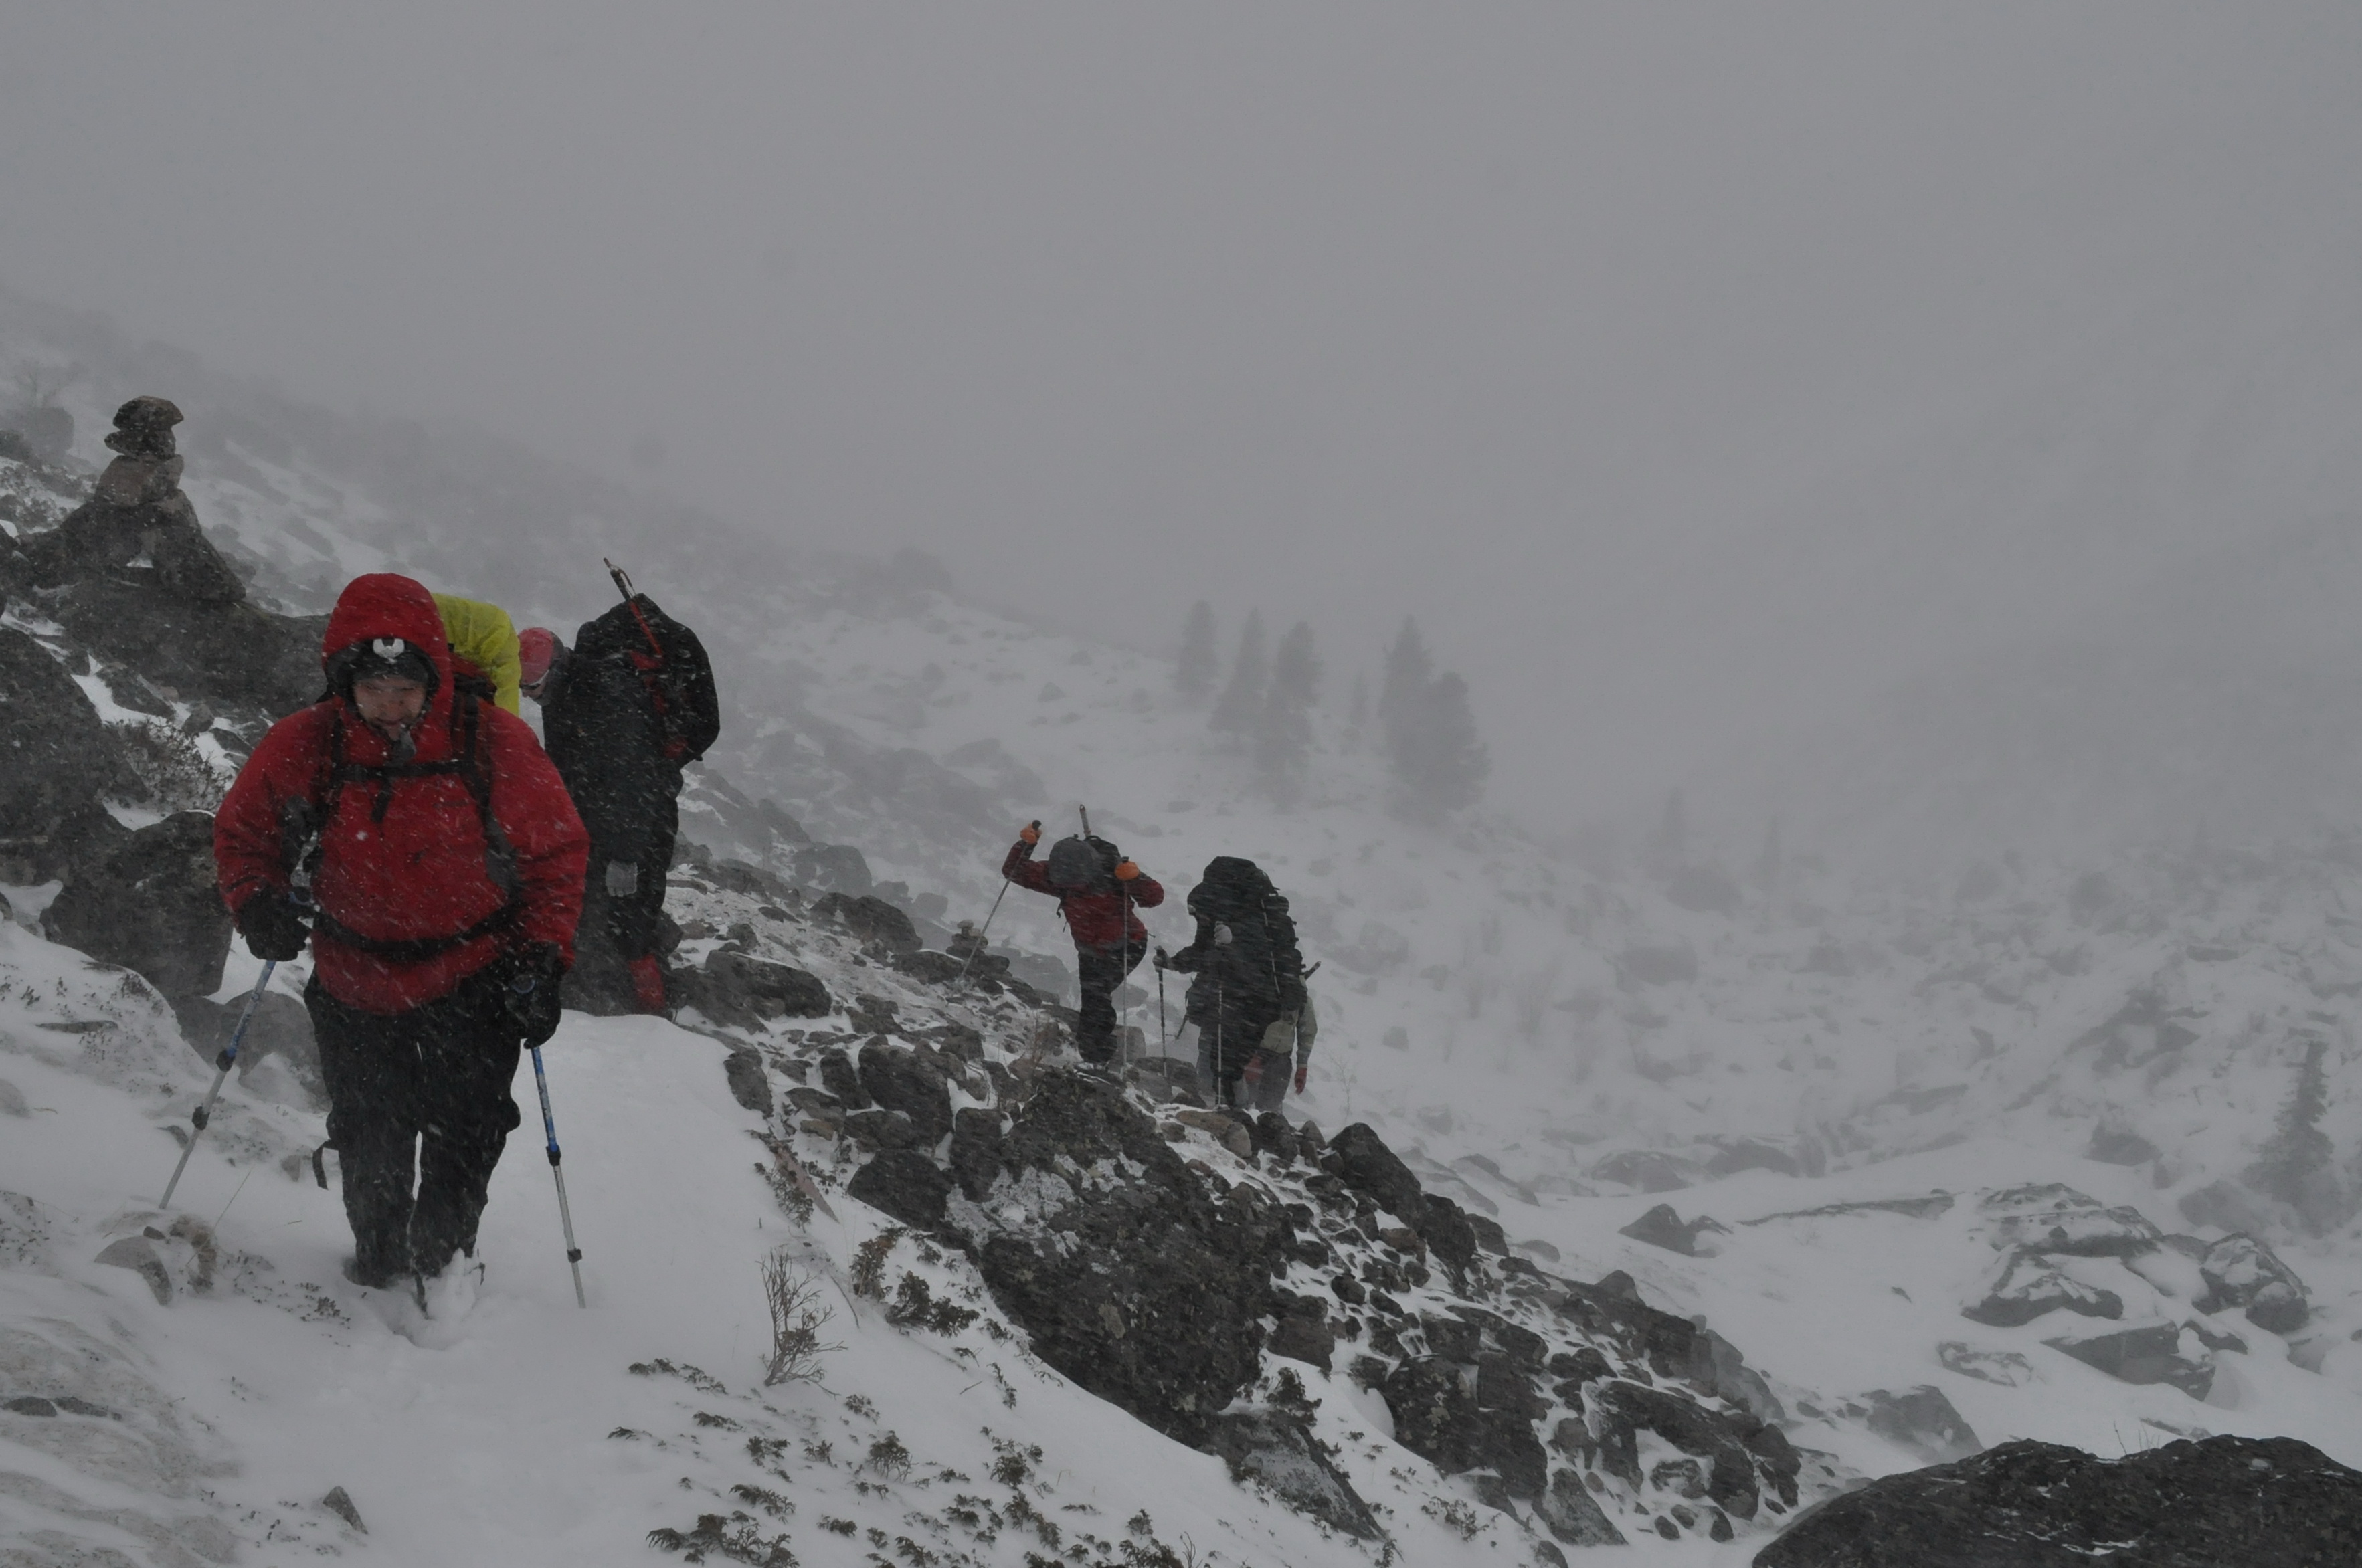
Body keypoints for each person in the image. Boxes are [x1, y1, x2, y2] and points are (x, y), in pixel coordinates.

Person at [215, 573, 587, 1294]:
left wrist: (543, 958)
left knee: (468, 1129)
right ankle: (380, 1264)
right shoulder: (311, 739)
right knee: (369, 1132)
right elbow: (246, 830)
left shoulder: (491, 739)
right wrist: (256, 900)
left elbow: (555, 854)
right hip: (354, 979)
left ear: (433, 678)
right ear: (344, 681)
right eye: (374, 690)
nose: (391, 707)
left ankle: (442, 1266)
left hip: (473, 976)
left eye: (406, 690)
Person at [521, 585, 719, 1015]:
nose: (528, 696)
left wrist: (626, 856)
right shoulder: (563, 694)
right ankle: (603, 992)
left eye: (532, 686)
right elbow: (568, 765)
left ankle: (653, 1011)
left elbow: (633, 782)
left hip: (643, 821)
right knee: (597, 908)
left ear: (555, 667)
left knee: (633, 920)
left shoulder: (608, 698)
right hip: (602, 818)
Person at [1001, 822, 1163, 1065]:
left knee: (1096, 996)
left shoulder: (1113, 874)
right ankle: (1094, 1053)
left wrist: (1137, 879)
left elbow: (1154, 898)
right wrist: (1025, 845)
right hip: (1091, 950)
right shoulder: (1059, 876)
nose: (1071, 888)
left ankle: (1095, 1054)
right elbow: (1014, 871)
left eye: (1077, 883)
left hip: (1127, 945)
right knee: (1094, 997)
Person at [1156, 856, 1309, 1109]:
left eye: (1201, 916)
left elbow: (1255, 970)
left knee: (1227, 1060)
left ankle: (1232, 1111)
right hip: (1237, 1002)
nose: (1201, 921)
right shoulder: (1221, 916)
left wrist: (1231, 946)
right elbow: (1204, 951)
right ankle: (1230, 1110)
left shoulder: (1249, 925)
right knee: (1224, 1060)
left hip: (1255, 1003)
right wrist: (1173, 963)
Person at [433, 592, 524, 713]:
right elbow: (508, 716)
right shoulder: (507, 664)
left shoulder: (497, 640)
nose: (525, 694)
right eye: (526, 686)